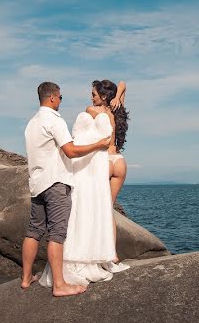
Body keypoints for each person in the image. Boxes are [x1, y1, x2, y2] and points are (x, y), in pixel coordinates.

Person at [23, 81, 110, 297]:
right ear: (52, 97)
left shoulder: (31, 123)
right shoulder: (54, 120)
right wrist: (98, 146)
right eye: (60, 97)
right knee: (57, 233)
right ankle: (59, 285)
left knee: (34, 231)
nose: (61, 101)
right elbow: (70, 151)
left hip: (36, 184)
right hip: (55, 182)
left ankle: (26, 279)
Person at [91, 79, 131, 272]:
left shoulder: (93, 111)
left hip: (105, 161)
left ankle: (100, 254)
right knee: (108, 209)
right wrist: (117, 96)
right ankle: (113, 255)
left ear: (103, 96)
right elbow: (123, 83)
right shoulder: (117, 108)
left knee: (99, 210)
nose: (91, 98)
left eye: (94, 95)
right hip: (119, 161)